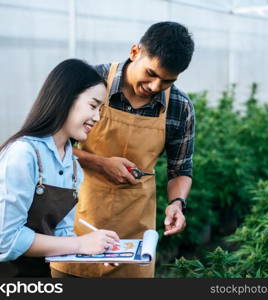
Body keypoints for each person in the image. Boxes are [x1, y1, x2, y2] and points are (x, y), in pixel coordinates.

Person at [50, 21, 195, 278]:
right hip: (80, 215)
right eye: (151, 73)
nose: (154, 86)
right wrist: (99, 163)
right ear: (135, 52)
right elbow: (51, 142)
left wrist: (177, 203)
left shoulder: (179, 107)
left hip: (134, 226)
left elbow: (180, 168)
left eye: (167, 81)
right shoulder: (92, 83)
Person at [0, 59, 120, 277]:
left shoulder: (72, 165)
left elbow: (61, 235)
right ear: (65, 98)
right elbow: (6, 239)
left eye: (100, 110)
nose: (97, 118)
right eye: (93, 106)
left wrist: (96, 252)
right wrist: (81, 245)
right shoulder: (23, 154)